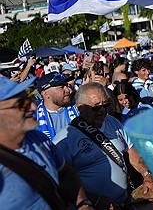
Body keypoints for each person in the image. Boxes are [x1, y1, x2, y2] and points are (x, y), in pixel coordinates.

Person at [53, 82, 153, 207]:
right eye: (96, 107)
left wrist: (146, 174)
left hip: (125, 201)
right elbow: (62, 182)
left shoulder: (112, 122)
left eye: (106, 105)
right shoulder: (65, 139)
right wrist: (96, 201)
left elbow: (131, 150)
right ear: (80, 107)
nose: (102, 111)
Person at [0, 77, 93, 210]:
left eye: (29, 99)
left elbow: (65, 172)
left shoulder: (39, 139)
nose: (33, 106)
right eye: (21, 103)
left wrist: (82, 203)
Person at [35, 72, 79, 140]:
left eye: (67, 86)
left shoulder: (79, 109)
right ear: (46, 94)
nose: (68, 90)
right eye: (61, 87)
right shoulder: (33, 119)